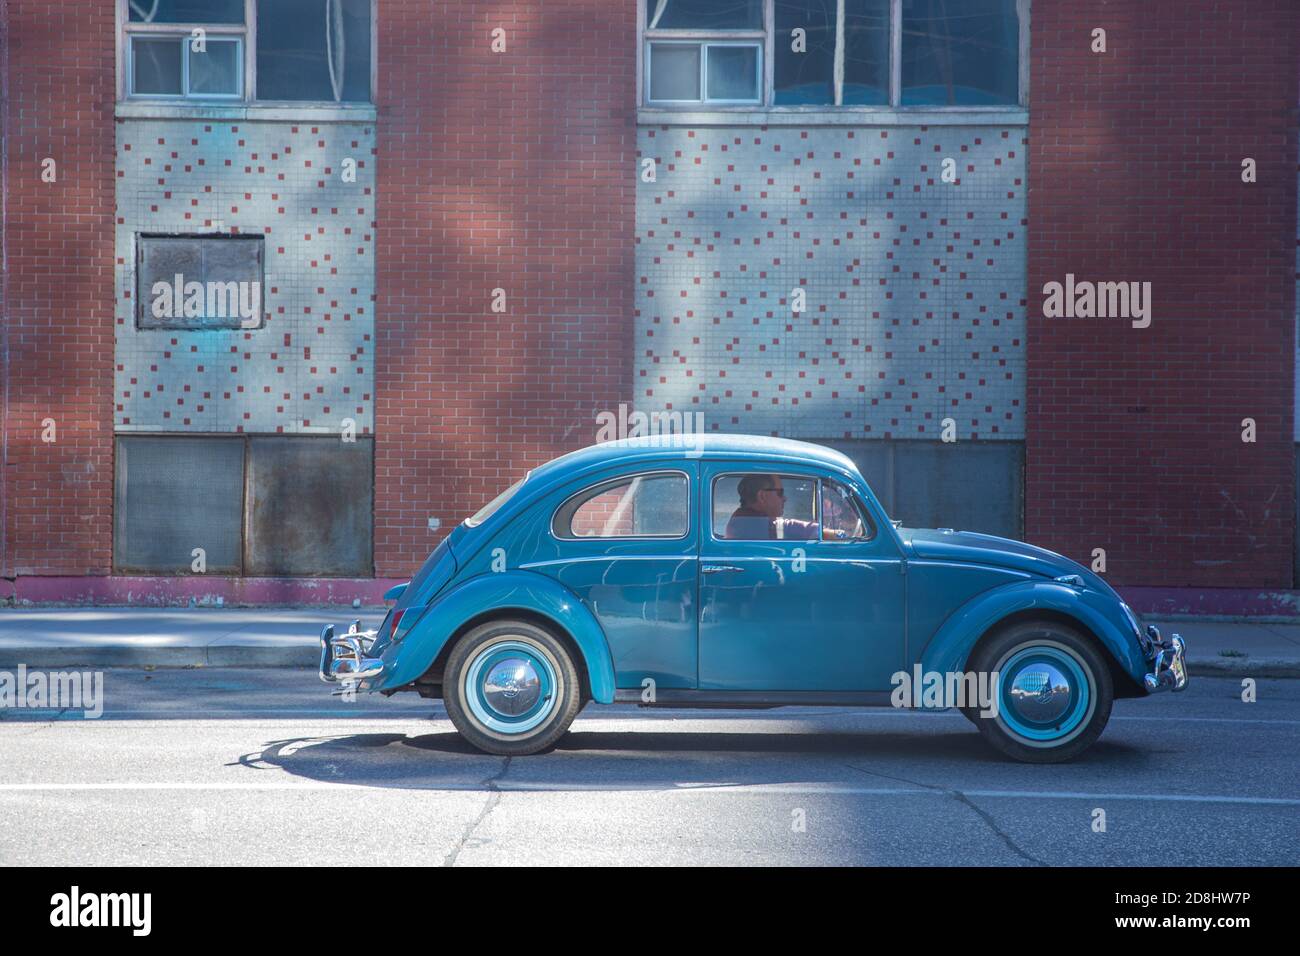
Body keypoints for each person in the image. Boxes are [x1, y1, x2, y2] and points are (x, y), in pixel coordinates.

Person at [724, 474, 818, 540]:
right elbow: (791, 528)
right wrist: (831, 533)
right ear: (762, 496)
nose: (784, 498)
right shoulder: (748, 522)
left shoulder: (741, 517)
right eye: (780, 493)